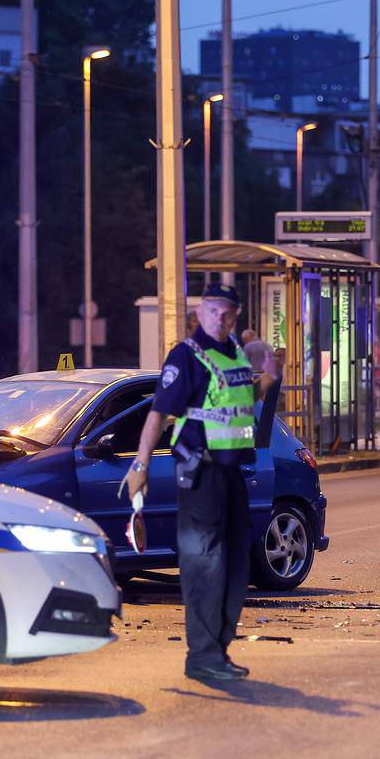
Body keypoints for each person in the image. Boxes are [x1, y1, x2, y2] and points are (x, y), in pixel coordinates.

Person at [124, 283, 282, 683]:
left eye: (228, 312)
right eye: (213, 311)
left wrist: (269, 369)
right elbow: (159, 413)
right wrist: (140, 466)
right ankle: (202, 655)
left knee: (235, 563)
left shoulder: (232, 353)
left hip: (232, 473)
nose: (221, 318)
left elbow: (249, 397)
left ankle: (219, 649)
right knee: (204, 564)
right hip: (200, 473)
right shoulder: (186, 355)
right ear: (200, 312)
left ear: (236, 314)